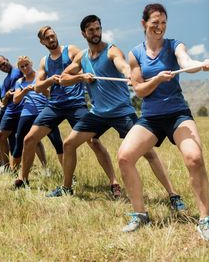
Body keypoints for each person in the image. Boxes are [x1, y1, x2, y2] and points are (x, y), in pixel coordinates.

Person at [51, 14, 184, 206]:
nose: (96, 33)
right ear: (83, 33)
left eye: (98, 29)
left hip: (122, 112)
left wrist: (130, 74)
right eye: (91, 30)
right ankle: (66, 187)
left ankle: (173, 195)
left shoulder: (112, 51)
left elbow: (122, 66)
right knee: (69, 144)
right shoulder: (82, 56)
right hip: (98, 114)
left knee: (148, 152)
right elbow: (63, 78)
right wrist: (81, 77)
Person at [118, 3, 209, 240]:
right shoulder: (135, 54)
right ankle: (140, 214)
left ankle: (205, 219)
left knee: (194, 158)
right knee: (125, 157)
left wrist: (198, 65)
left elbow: (185, 61)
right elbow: (139, 90)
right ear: (143, 24)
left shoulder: (173, 45)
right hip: (150, 117)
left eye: (163, 23)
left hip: (177, 114)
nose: (159, 28)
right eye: (154, 23)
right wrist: (157, 79)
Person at [15, 26, 121, 198]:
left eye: (52, 36)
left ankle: (114, 183)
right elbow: (38, 86)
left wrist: (79, 77)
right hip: (54, 106)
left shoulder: (70, 50)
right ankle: (23, 179)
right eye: (47, 38)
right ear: (42, 42)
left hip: (76, 104)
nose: (51, 39)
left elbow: (85, 65)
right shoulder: (44, 61)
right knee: (29, 139)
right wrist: (50, 79)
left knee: (93, 141)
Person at [11, 55, 63, 175]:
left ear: (31, 64)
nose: (25, 68)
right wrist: (25, 91)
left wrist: (40, 89)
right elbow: (15, 100)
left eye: (26, 65)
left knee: (57, 142)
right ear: (19, 68)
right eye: (22, 66)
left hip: (45, 111)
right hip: (27, 112)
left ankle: (67, 172)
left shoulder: (41, 76)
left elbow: (51, 94)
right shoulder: (20, 82)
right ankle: (14, 173)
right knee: (20, 140)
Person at [0, 55, 23, 169]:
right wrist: (6, 96)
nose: (2, 66)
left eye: (3, 63)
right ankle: (6, 167)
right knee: (0, 136)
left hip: (22, 108)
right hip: (10, 111)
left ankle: (44, 167)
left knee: (28, 138)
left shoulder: (19, 70)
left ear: (7, 60)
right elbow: (4, 102)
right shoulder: (6, 80)